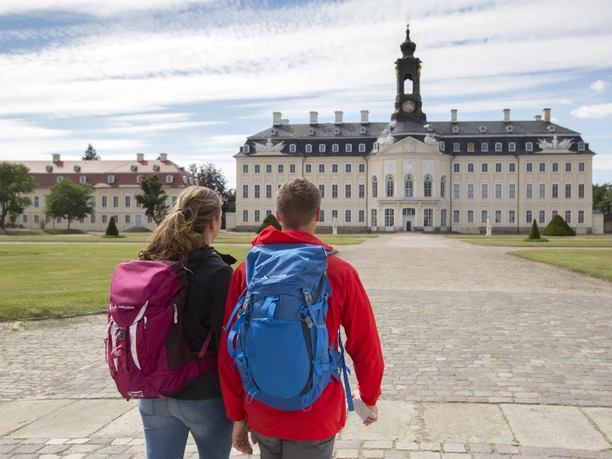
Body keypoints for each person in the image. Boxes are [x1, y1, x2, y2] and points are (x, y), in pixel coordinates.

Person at [219, 177, 384, 459]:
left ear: (278, 215)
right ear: (318, 215)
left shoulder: (247, 272)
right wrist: (368, 398)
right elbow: (365, 345)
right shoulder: (339, 271)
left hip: (261, 407)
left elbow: (230, 350)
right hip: (316, 411)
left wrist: (237, 416)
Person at [137, 186, 234, 459]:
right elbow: (230, 345)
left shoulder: (151, 262)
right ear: (214, 222)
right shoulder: (218, 272)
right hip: (203, 394)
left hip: (154, 393)